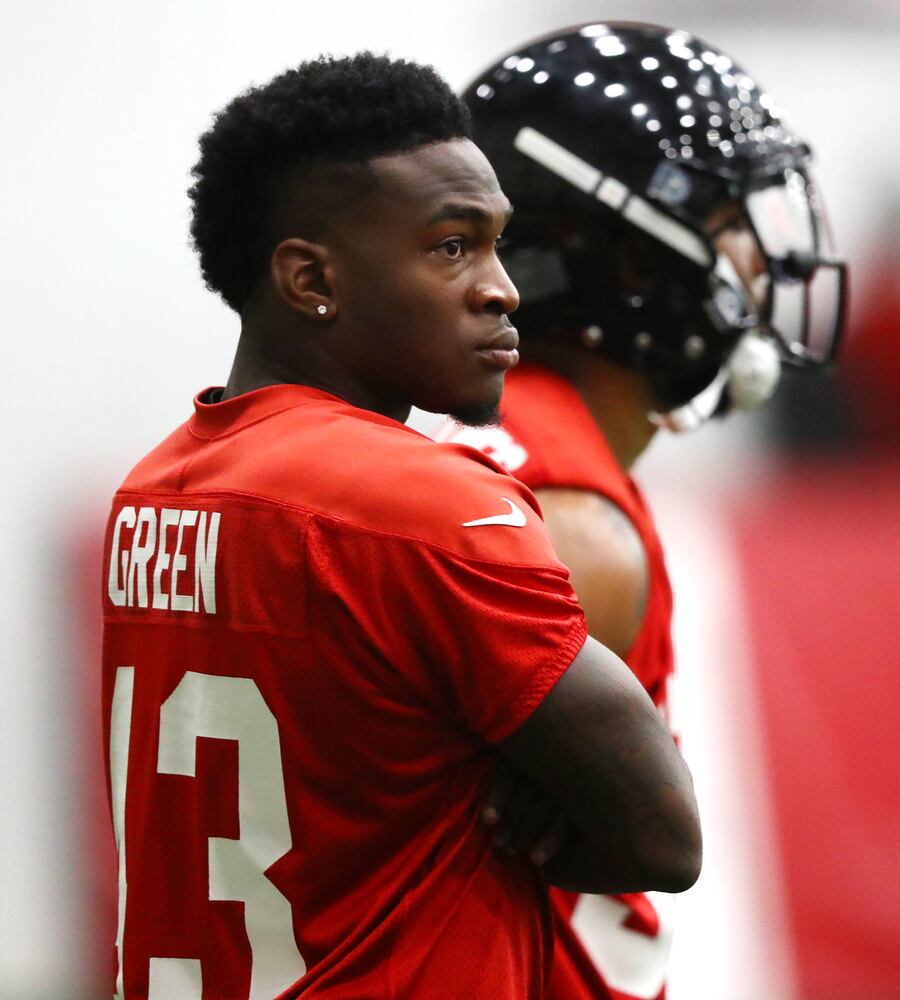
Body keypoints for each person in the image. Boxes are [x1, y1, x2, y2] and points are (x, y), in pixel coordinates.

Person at [101, 53, 701, 1000]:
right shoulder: (425, 502)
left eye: (498, 245)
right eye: (452, 247)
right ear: (310, 278)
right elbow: (662, 839)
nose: (501, 289)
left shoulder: (151, 490)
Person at [434, 22, 847, 1000]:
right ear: (626, 261)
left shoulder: (494, 440)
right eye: (729, 221)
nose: (763, 263)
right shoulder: (565, 521)